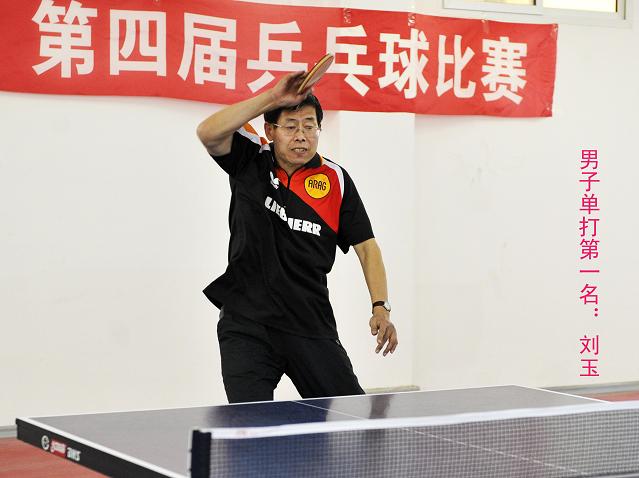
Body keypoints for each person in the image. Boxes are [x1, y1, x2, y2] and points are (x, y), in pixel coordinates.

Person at [196, 71, 398, 403]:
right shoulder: (250, 158)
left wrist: (381, 307)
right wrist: (273, 98)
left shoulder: (335, 180)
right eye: (291, 127)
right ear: (270, 131)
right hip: (246, 323)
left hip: (309, 323)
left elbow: (367, 247)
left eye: (310, 126)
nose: (301, 136)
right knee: (249, 423)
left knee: (350, 417)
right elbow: (207, 132)